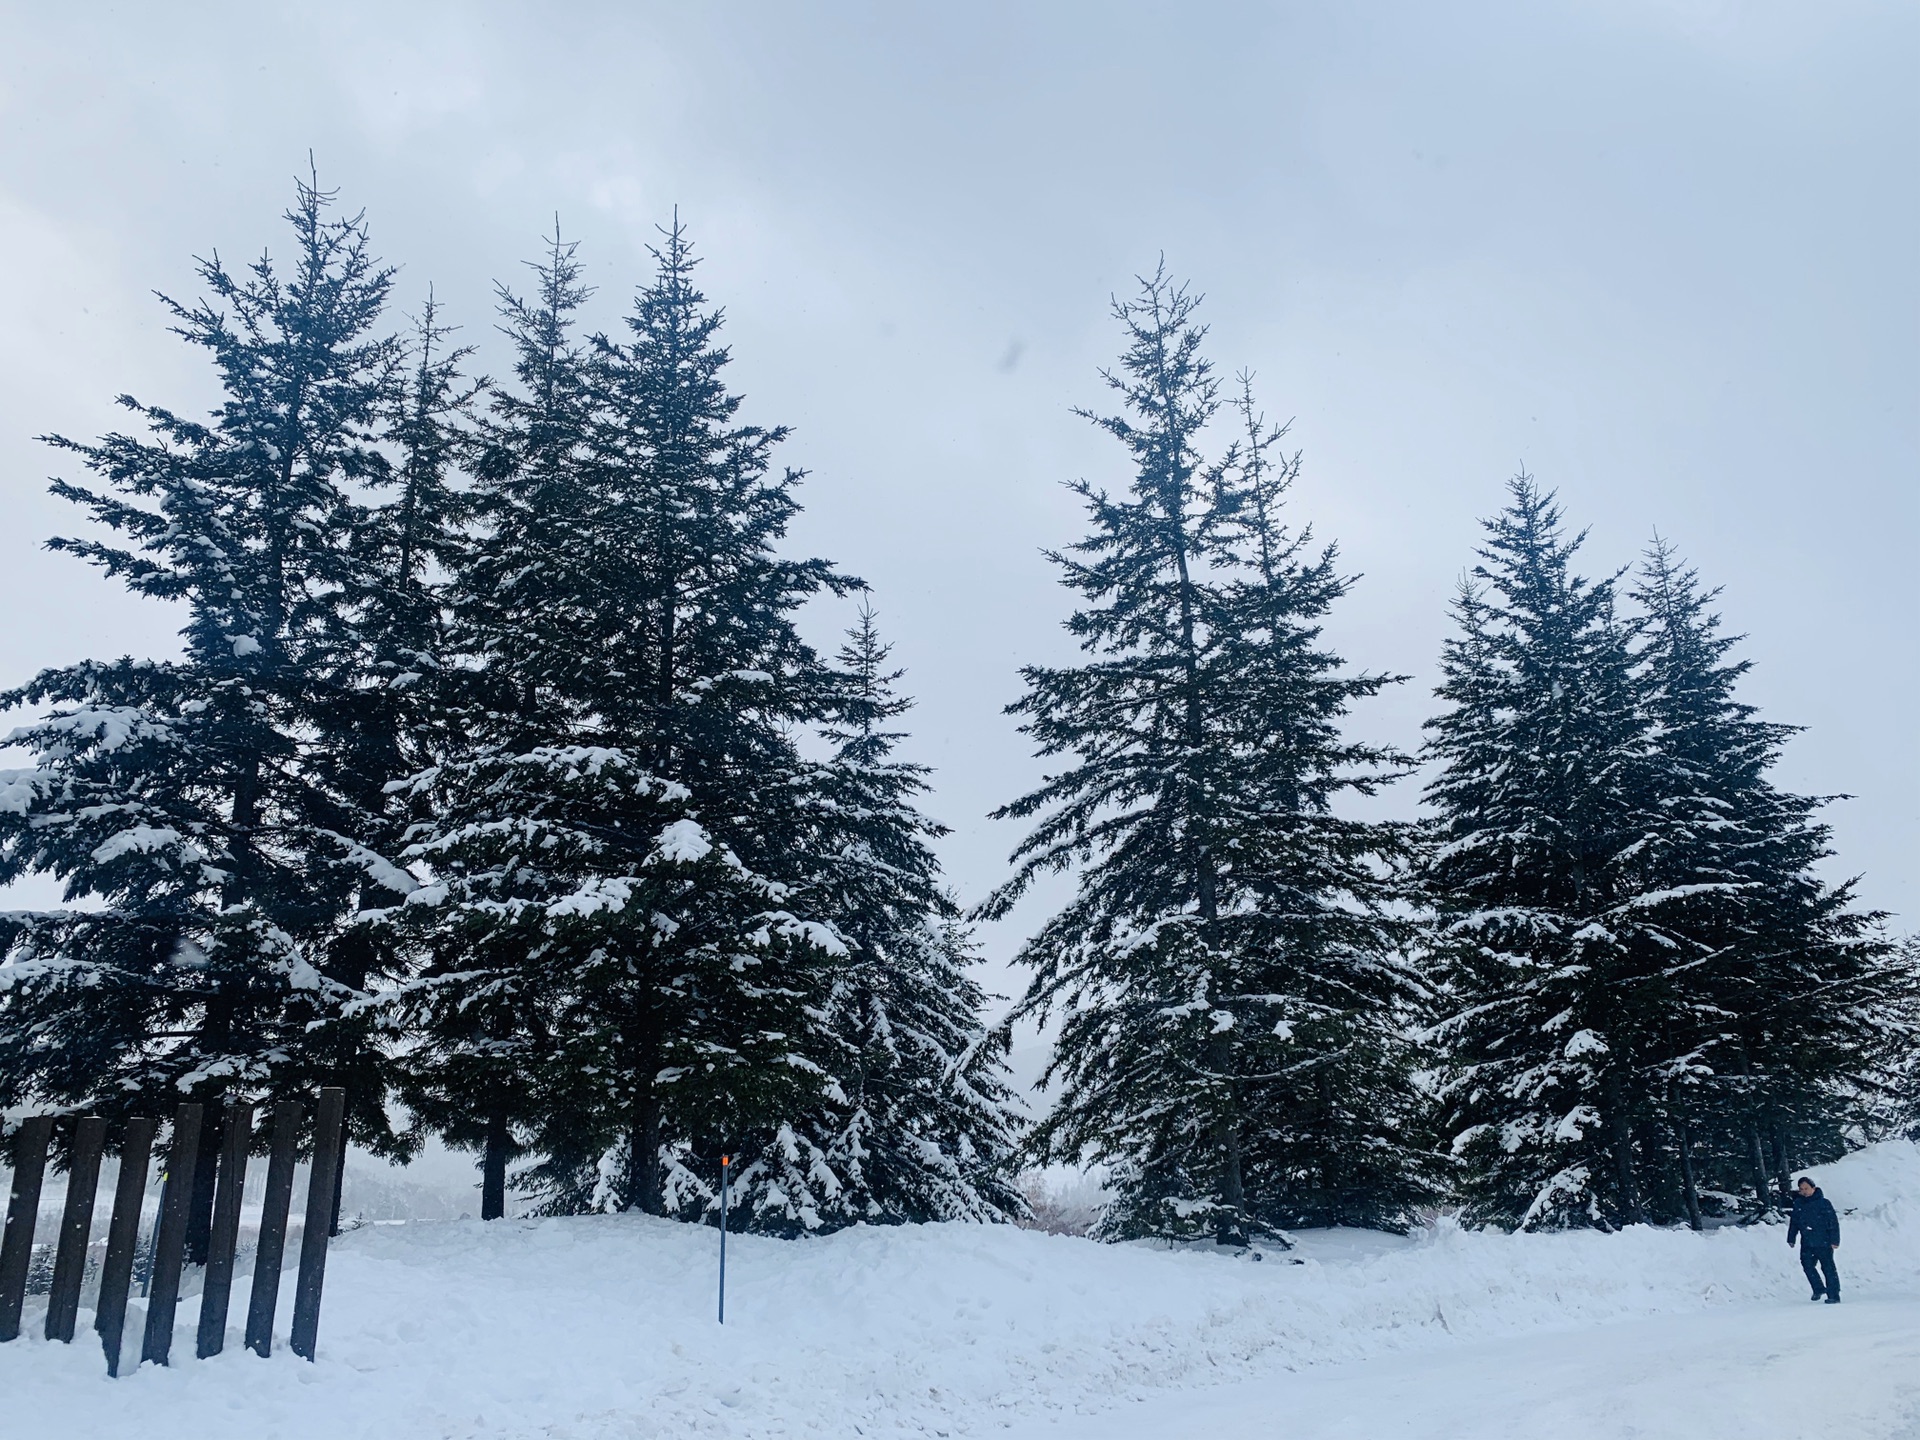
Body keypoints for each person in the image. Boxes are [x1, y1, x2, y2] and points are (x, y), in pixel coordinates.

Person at [1787, 1175, 1841, 1304]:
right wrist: (1791, 1238)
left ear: (1813, 1188)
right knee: (1807, 1266)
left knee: (1828, 1268)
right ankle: (1818, 1288)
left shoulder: (1824, 1203)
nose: (1804, 1191)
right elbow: (1794, 1222)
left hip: (1824, 1241)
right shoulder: (1799, 1203)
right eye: (1801, 1189)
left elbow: (1833, 1222)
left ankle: (1833, 1294)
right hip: (1807, 1241)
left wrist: (1835, 1240)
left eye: (1806, 1188)